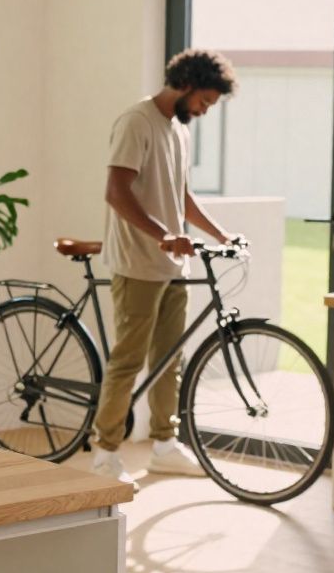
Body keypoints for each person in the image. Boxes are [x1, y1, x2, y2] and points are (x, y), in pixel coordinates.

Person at [91, 48, 239, 488]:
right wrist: (161, 235)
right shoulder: (136, 122)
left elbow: (182, 197)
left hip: (172, 262)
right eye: (205, 101)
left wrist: (220, 234)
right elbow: (116, 192)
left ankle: (163, 447)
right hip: (138, 261)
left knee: (168, 360)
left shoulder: (178, 129)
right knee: (128, 360)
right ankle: (105, 453)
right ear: (187, 85)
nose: (205, 110)